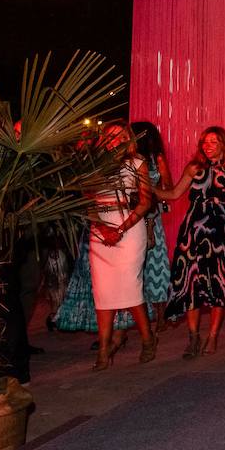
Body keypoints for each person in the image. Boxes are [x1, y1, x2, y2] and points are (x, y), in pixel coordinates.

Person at [160, 126, 225, 357]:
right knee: (191, 284)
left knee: (218, 283)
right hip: (193, 233)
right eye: (204, 142)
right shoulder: (193, 169)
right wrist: (146, 188)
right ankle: (193, 337)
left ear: (223, 145)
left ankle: (213, 336)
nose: (207, 146)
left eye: (213, 142)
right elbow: (173, 194)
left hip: (221, 233)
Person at [86, 121, 157, 370]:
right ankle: (104, 349)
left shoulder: (138, 164)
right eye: (110, 136)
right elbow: (87, 203)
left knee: (129, 286)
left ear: (129, 139)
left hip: (129, 228)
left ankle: (148, 338)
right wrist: (103, 227)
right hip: (100, 230)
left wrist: (121, 228)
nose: (115, 141)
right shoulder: (92, 167)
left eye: (120, 136)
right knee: (103, 291)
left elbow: (145, 202)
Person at [131, 121, 173, 331]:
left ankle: (160, 313)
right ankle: (142, 314)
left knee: (156, 264)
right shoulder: (129, 161)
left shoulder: (157, 160)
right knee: (139, 266)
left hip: (151, 218)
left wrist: (151, 193)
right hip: (132, 216)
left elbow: (169, 187)